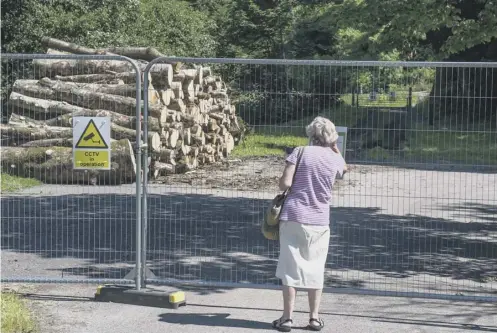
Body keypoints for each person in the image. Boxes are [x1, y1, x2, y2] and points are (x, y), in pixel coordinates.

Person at [272, 116, 347, 332]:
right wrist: (334, 147)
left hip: (294, 215)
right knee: (315, 268)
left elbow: (285, 183)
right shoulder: (334, 159)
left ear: (310, 135)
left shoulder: (300, 152)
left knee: (290, 268)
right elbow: (343, 170)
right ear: (332, 137)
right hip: (319, 220)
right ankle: (314, 318)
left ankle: (287, 318)